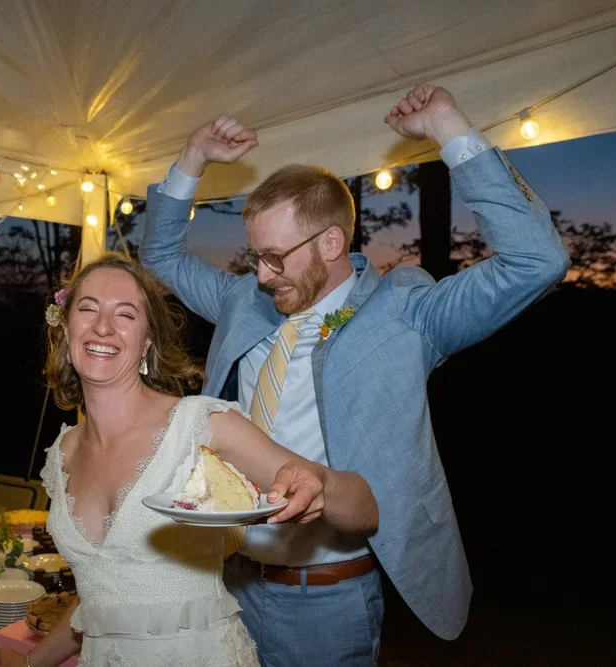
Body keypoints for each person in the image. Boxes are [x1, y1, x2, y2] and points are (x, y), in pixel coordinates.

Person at [139, 83, 571, 666]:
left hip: (323, 605)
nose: (262, 274)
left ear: (332, 241)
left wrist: (449, 128)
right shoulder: (246, 301)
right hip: (226, 585)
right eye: (255, 257)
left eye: (275, 256)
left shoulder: (407, 314)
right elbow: (159, 256)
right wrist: (191, 158)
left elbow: (537, 261)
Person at [0, 253, 378, 667]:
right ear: (66, 328)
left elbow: (365, 509)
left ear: (147, 341)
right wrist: (29, 664)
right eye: (88, 309)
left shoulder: (200, 425)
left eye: (126, 314)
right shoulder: (60, 455)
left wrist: (321, 485)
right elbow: (99, 602)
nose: (103, 326)